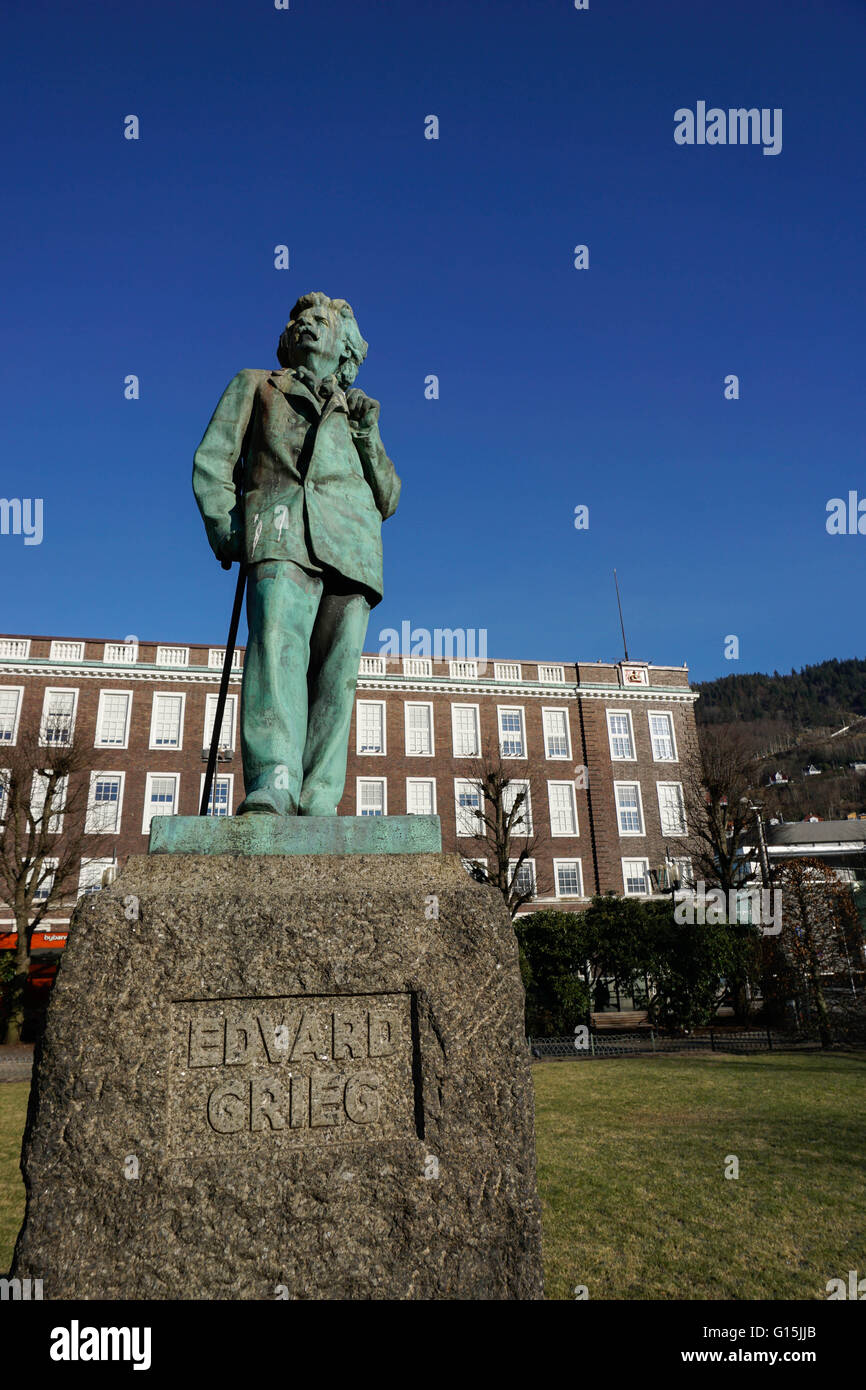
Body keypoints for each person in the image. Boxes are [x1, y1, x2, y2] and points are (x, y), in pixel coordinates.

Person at [193, 292, 400, 815]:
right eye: (300, 319)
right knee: (276, 646)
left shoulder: (359, 414)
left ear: (345, 349)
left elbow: (389, 498)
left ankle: (321, 796)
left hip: (352, 550)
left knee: (338, 674)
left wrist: (368, 435)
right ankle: (275, 780)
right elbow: (212, 462)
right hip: (279, 529)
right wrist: (229, 528)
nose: (305, 325)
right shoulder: (255, 384)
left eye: (320, 321)